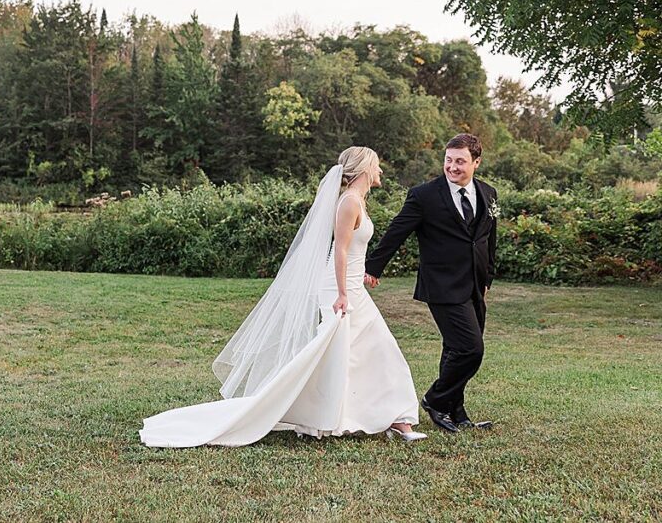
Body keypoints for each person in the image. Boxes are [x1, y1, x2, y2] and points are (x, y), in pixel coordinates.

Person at [139, 146, 426, 448]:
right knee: (361, 349)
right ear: (366, 168)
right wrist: (342, 293)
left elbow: (353, 251)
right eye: (378, 166)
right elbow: (339, 250)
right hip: (341, 289)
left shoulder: (358, 202)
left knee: (361, 351)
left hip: (352, 285)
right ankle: (368, 417)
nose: (381, 171)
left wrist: (360, 277)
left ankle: (389, 418)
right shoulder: (350, 203)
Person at [365, 133, 498, 433]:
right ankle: (435, 400)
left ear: (476, 162)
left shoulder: (488, 193)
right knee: (470, 349)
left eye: (460, 161)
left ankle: (456, 411)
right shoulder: (424, 195)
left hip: (476, 284)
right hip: (442, 284)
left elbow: (490, 239)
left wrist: (487, 275)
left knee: (455, 349)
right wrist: (373, 266)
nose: (452, 167)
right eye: (449, 160)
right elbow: (397, 231)